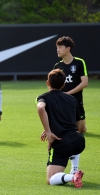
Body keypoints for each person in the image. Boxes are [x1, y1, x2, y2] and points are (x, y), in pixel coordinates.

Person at [36, 69, 85, 188]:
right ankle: (74, 168)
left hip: (62, 143)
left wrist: (48, 132)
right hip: (79, 141)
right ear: (63, 84)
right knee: (73, 142)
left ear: (47, 83)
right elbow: (78, 126)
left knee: (51, 179)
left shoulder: (44, 97)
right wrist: (50, 127)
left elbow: (41, 108)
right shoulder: (72, 99)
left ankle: (72, 177)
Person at [53, 36, 88, 174]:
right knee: (72, 132)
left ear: (68, 48)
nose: (58, 50)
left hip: (77, 102)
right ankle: (74, 167)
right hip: (63, 105)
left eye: (60, 47)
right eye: (57, 47)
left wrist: (68, 93)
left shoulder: (79, 63)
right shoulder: (57, 66)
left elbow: (84, 83)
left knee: (81, 130)